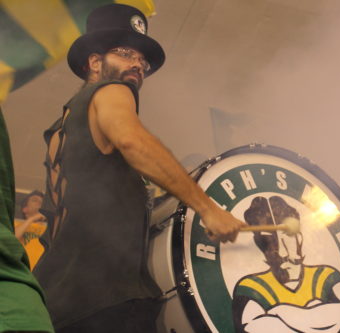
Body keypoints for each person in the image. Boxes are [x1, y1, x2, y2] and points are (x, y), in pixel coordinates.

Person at [33, 4, 244, 332]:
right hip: (107, 300)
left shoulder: (60, 128)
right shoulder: (112, 90)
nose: (138, 65)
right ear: (94, 62)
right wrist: (207, 208)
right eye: (124, 53)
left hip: (56, 303)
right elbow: (133, 141)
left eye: (142, 60)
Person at [232, 196, 340, 332]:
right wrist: (319, 312)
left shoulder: (326, 276)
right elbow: (253, 328)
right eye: (269, 240)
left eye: (287, 236)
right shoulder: (251, 287)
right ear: (259, 245)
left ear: (299, 238)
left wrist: (282, 312)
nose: (282, 253)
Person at [0, 109, 54, 332]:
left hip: (31, 281)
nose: (38, 204)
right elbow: (13, 241)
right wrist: (29, 221)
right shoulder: (12, 225)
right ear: (23, 207)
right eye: (33, 201)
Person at [13, 190, 47, 270]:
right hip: (21, 271)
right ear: (25, 209)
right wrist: (32, 219)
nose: (40, 203)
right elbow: (11, 240)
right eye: (35, 200)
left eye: (42, 201)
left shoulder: (49, 228)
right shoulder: (16, 223)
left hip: (42, 273)